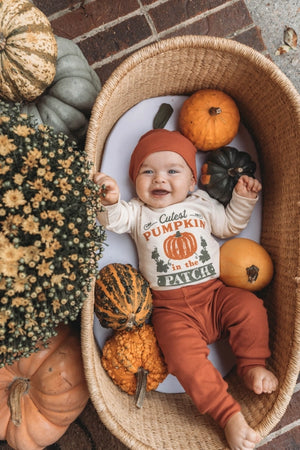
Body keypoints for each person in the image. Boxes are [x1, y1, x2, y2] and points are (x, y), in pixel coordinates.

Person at [94, 128, 278, 450]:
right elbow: (113, 219)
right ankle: (226, 412)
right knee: (180, 359)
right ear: (135, 182)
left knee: (250, 308)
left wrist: (244, 199)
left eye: (172, 171)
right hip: (170, 310)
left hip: (215, 294)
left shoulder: (200, 204)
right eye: (147, 171)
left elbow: (229, 226)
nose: (159, 179)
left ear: (192, 182)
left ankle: (252, 364)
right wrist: (109, 199)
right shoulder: (138, 212)